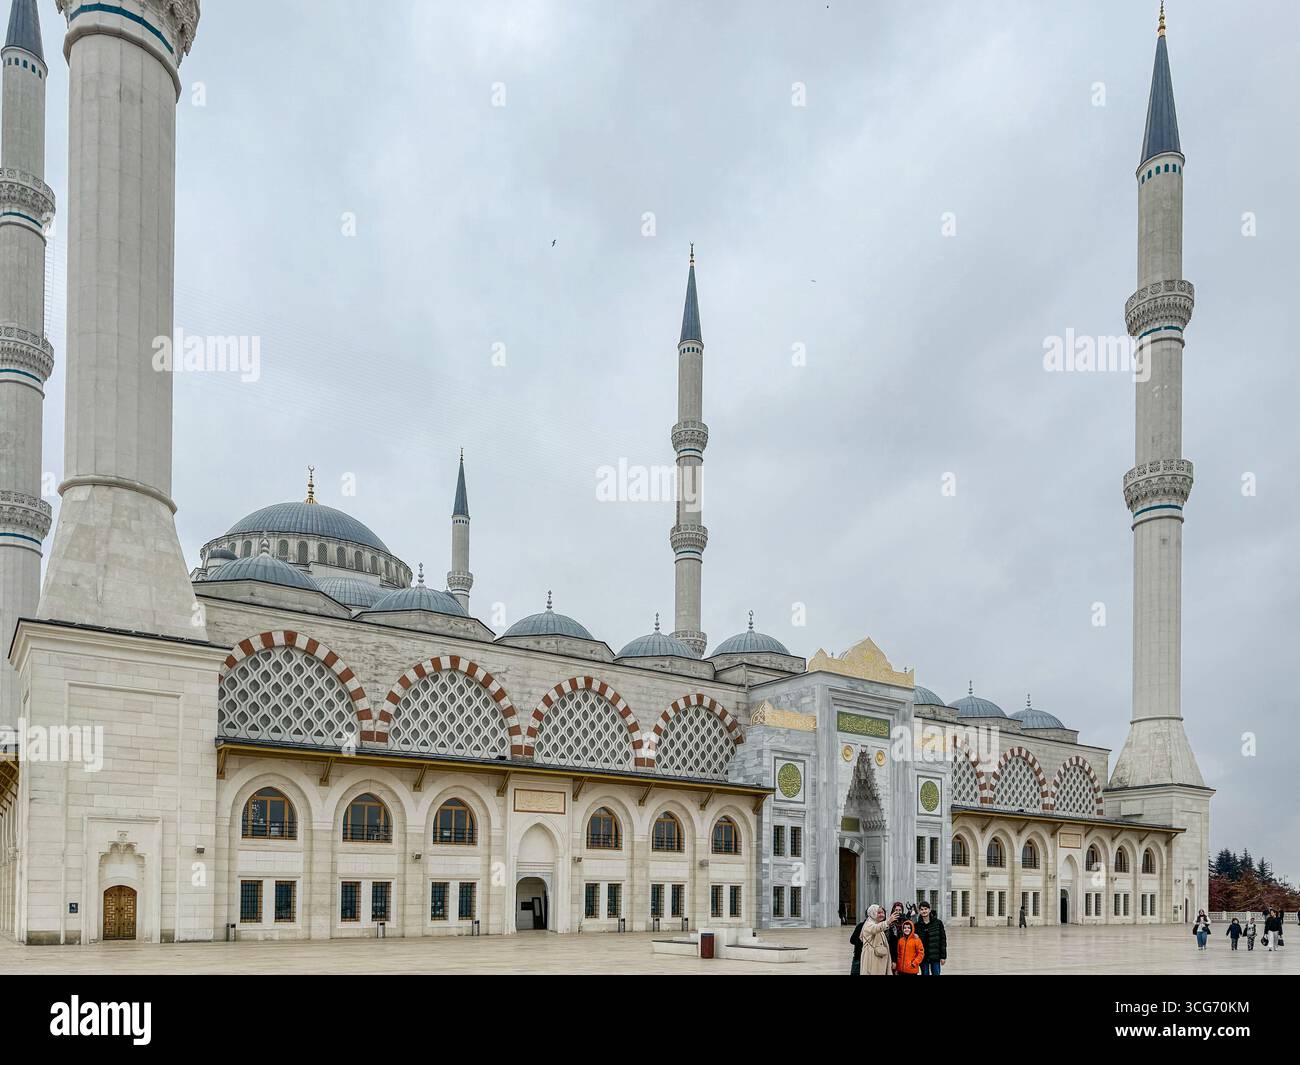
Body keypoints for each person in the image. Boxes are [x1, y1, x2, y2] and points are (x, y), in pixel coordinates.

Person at [857, 904, 897, 976]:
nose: (882, 915)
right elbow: (875, 928)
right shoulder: (869, 924)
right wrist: (888, 921)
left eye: (882, 913)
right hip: (872, 959)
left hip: (878, 959)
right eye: (878, 913)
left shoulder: (876, 923)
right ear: (873, 913)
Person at [915, 899, 947, 975]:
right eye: (922, 909)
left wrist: (943, 956)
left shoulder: (938, 923)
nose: (924, 911)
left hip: (935, 956)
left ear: (929, 910)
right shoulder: (917, 926)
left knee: (936, 973)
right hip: (923, 956)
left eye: (926, 909)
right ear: (919, 911)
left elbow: (943, 940)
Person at [885, 901, 906, 974]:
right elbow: (889, 942)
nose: (898, 912)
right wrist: (893, 960)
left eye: (900, 910)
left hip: (904, 954)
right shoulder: (889, 923)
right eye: (896, 910)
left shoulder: (906, 922)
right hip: (892, 953)